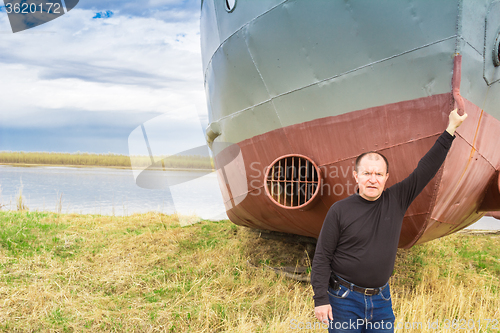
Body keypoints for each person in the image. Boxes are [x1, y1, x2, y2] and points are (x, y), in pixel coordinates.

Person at [311, 109, 467, 332]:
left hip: (381, 301)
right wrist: (321, 299)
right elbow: (322, 256)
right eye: (366, 174)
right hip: (344, 299)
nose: (372, 180)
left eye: (378, 174)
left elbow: (426, 169)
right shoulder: (339, 210)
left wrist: (451, 129)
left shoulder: (397, 199)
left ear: (386, 178)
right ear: (356, 177)